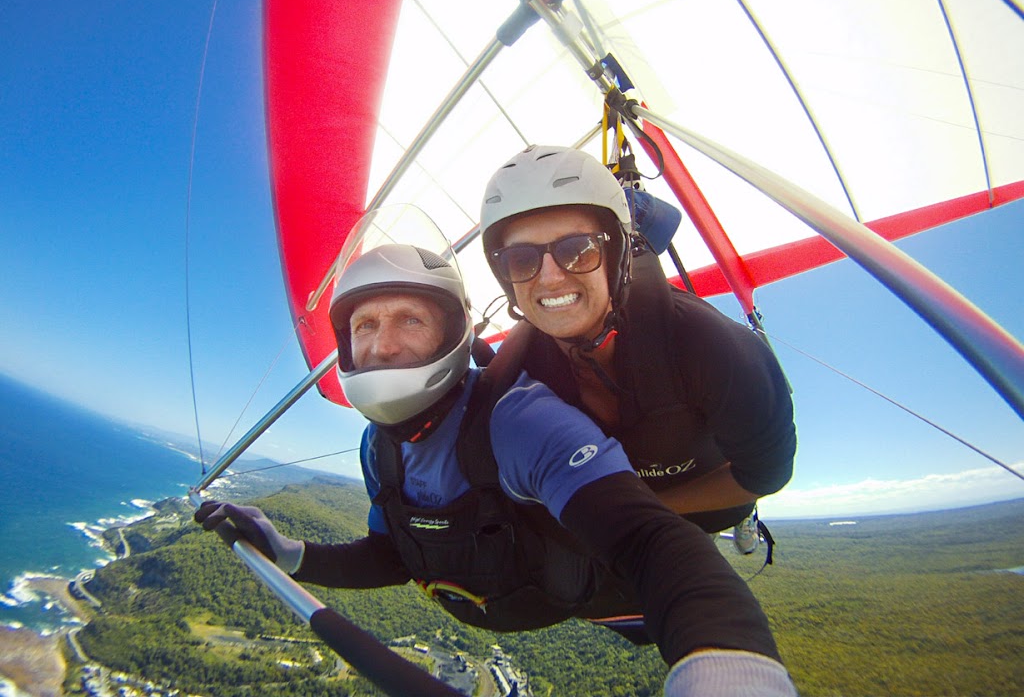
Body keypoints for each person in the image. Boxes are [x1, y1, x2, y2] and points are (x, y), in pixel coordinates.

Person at [196, 217, 797, 697]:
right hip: (499, 598)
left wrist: (730, 668)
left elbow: (654, 542)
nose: (382, 344)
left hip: (580, 600)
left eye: (410, 319)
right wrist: (291, 555)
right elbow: (394, 555)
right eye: (364, 325)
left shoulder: (519, 420)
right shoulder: (379, 444)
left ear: (453, 332)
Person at [480, 145, 797, 552]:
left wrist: (643, 512)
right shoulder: (515, 370)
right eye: (521, 259)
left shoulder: (714, 347)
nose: (551, 278)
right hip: (612, 519)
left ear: (617, 258)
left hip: (714, 505)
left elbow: (767, 474)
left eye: (578, 250)